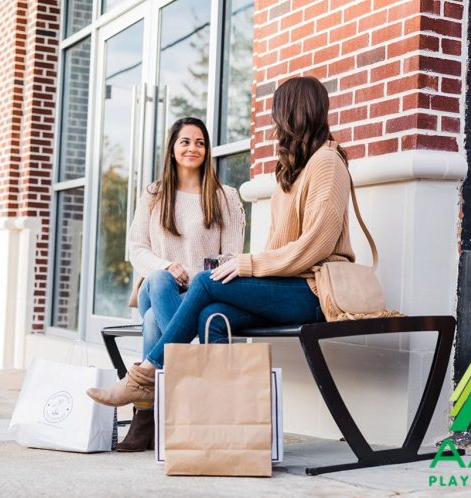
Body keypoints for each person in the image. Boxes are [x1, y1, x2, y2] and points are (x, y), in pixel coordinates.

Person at [87, 75, 354, 411]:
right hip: (287, 285)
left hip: (314, 291)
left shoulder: (327, 164)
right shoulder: (295, 169)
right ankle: (215, 416)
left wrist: (248, 265)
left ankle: (146, 376)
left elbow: (314, 247)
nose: (273, 122)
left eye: (277, 113)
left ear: (293, 113)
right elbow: (277, 246)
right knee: (212, 313)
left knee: (204, 282)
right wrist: (253, 270)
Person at [87, 116, 245, 451]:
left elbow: (232, 255)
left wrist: (199, 273)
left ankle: (145, 418)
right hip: (156, 287)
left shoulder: (225, 197)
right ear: (173, 148)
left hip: (200, 293)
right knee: (159, 280)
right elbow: (136, 248)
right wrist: (167, 266)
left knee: (153, 323)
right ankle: (190, 379)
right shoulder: (154, 194)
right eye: (185, 141)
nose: (193, 148)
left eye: (200, 142)